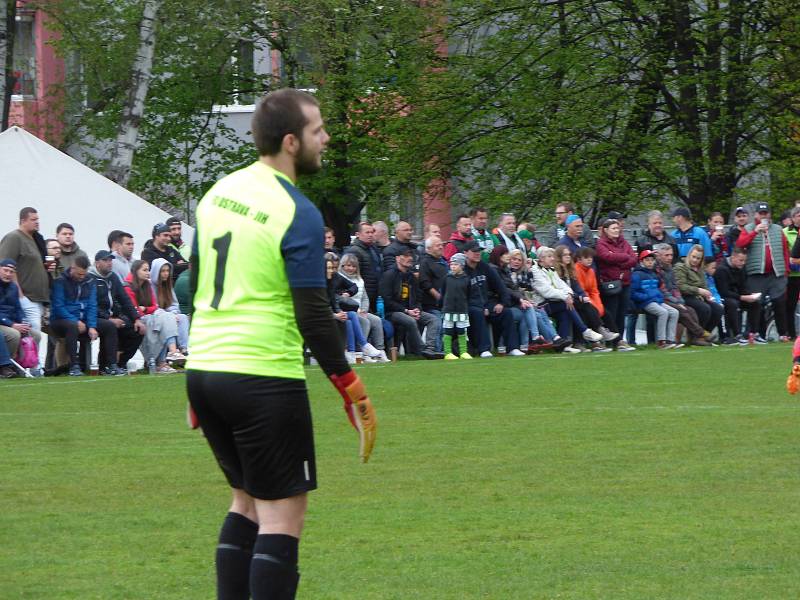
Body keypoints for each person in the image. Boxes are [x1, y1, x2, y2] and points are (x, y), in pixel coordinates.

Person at [186, 89, 376, 600]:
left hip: (206, 370)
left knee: (244, 503)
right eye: (318, 131)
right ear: (291, 142)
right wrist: (349, 383)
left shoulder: (218, 193)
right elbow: (312, 312)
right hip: (262, 377)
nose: (326, 139)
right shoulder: (296, 210)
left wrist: (192, 384)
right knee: (281, 516)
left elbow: (197, 289)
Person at [529, 246, 603, 352]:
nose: (552, 259)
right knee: (566, 305)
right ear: (541, 259)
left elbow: (563, 285)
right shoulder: (535, 271)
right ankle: (585, 331)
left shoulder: (551, 269)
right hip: (541, 304)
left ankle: (563, 345)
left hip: (553, 302)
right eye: (549, 256)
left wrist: (568, 294)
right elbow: (546, 291)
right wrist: (565, 297)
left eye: (552, 256)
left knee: (565, 312)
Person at [738, 202, 790, 341]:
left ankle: (783, 334)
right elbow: (741, 244)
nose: (763, 216)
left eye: (765, 213)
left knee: (779, 302)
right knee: (755, 304)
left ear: (769, 214)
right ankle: (752, 334)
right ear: (755, 215)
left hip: (776, 273)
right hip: (756, 273)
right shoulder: (749, 228)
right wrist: (755, 231)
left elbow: (785, 250)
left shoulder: (778, 229)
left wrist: (785, 270)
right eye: (760, 213)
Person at [88, 250, 145, 375]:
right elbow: (90, 305)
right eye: (105, 260)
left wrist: (137, 318)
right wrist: (108, 318)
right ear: (97, 263)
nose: (109, 263)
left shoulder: (113, 277)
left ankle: (121, 363)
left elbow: (125, 299)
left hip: (112, 316)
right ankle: (110, 365)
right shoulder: (90, 279)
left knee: (137, 329)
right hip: (92, 317)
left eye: (110, 260)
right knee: (109, 326)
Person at [379, 248, 442, 359]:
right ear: (397, 258)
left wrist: (417, 309)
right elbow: (387, 301)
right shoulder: (389, 275)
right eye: (406, 255)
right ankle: (422, 350)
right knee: (410, 321)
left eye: (411, 256)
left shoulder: (411, 277)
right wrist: (407, 311)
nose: (410, 258)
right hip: (393, 312)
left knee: (434, 319)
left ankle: (430, 349)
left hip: (410, 310)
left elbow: (418, 296)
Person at [124, 260, 186, 373]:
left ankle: (174, 353)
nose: (148, 273)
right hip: (137, 319)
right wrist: (147, 310)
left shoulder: (147, 285)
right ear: (136, 271)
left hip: (151, 316)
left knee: (168, 317)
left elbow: (154, 306)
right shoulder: (129, 286)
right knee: (164, 319)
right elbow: (133, 309)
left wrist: (146, 309)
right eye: (145, 270)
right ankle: (168, 357)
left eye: (148, 270)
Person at [462, 240, 519, 357]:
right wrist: (480, 307)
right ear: (465, 253)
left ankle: (512, 348)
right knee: (477, 313)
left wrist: (502, 303)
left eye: (479, 251)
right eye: (474, 251)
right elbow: (462, 296)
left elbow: (501, 287)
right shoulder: (462, 271)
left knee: (506, 312)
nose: (478, 253)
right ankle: (484, 349)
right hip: (470, 307)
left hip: (487, 303)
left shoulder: (485, 267)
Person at [554, 245, 617, 349]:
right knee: (584, 308)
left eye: (569, 254)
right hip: (561, 300)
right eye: (565, 255)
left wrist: (584, 297)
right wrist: (580, 297)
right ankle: (596, 334)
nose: (568, 257)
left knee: (593, 309)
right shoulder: (557, 271)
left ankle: (596, 340)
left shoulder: (573, 270)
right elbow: (562, 288)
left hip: (575, 299)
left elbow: (580, 288)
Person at [0, 207, 52, 331]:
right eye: (33, 219)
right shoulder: (14, 237)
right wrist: (20, 296)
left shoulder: (37, 239)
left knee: (32, 336)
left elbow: (36, 266)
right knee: (32, 334)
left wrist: (49, 266)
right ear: (23, 221)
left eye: (38, 219)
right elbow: (6, 267)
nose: (37, 222)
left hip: (39, 299)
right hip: (25, 298)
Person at [326, 253, 382, 363]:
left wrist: (348, 294)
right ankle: (360, 349)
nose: (332, 271)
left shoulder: (337, 278)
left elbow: (362, 295)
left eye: (334, 268)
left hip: (349, 310)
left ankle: (358, 351)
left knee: (354, 317)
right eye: (329, 268)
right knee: (352, 319)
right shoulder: (323, 282)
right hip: (325, 314)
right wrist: (337, 314)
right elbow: (323, 304)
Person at [653, 243, 710, 346]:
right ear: (659, 255)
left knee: (691, 310)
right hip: (660, 298)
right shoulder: (656, 269)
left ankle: (695, 339)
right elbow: (663, 290)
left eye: (671, 255)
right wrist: (676, 302)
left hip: (671, 299)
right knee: (682, 311)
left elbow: (675, 287)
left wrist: (680, 301)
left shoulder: (670, 268)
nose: (670, 258)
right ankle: (701, 334)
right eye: (667, 255)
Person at [49, 255, 97, 376]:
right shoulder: (60, 281)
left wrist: (92, 325)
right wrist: (75, 321)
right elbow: (58, 307)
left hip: (81, 319)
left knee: (108, 326)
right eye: (79, 274)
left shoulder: (90, 281)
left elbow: (92, 305)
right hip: (60, 320)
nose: (82, 277)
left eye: (84, 274)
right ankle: (74, 366)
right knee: (72, 326)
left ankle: (111, 365)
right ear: (72, 268)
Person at [594, 219, 637, 350]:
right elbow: (606, 257)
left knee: (622, 313)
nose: (616, 230)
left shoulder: (624, 242)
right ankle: (611, 340)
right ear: (606, 230)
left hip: (625, 283)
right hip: (610, 283)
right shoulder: (601, 243)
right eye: (613, 228)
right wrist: (625, 257)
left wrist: (618, 259)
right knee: (612, 312)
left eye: (618, 228)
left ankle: (620, 340)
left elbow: (634, 259)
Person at [337, 253, 389, 361]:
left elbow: (365, 298)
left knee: (377, 320)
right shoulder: (339, 279)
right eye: (348, 265)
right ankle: (362, 351)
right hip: (349, 309)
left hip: (361, 310)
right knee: (365, 322)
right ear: (342, 266)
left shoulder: (360, 280)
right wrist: (358, 310)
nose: (351, 268)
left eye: (353, 266)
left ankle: (380, 350)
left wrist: (364, 309)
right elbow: (342, 299)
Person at [507, 248, 563, 349]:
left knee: (540, 312)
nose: (516, 262)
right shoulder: (507, 273)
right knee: (533, 312)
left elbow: (528, 288)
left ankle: (553, 339)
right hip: (512, 304)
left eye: (519, 260)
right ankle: (544, 340)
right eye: (514, 259)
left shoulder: (521, 273)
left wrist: (528, 271)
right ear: (509, 259)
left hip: (522, 303)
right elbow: (512, 291)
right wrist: (525, 300)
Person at [487, 246, 536, 355]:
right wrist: (520, 299)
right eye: (505, 254)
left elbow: (513, 288)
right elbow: (503, 289)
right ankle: (522, 344)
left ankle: (523, 345)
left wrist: (523, 299)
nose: (508, 256)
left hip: (505, 302)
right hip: (495, 304)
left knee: (527, 308)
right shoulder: (493, 270)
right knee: (520, 312)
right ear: (498, 256)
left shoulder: (504, 270)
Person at [630, 250, 681, 349]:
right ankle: (661, 341)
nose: (650, 262)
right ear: (641, 261)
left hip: (656, 301)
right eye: (647, 260)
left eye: (652, 260)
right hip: (645, 302)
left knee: (675, 312)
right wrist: (645, 297)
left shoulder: (654, 274)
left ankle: (671, 340)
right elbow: (633, 293)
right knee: (663, 313)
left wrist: (659, 297)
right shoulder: (637, 274)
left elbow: (658, 288)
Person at [715, 247, 766, 344]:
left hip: (737, 296)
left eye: (744, 261)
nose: (743, 263)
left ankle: (753, 333)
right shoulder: (721, 269)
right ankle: (737, 334)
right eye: (741, 260)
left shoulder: (741, 269)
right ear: (733, 257)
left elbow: (743, 287)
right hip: (724, 298)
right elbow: (724, 291)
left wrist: (750, 295)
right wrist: (742, 297)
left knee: (756, 304)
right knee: (732, 304)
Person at [0, 258, 43, 372]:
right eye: (5, 270)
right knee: (14, 334)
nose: (8, 274)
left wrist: (24, 321)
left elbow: (18, 308)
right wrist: (12, 324)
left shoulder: (13, 287)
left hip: (12, 322)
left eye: (11, 272)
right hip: (3, 323)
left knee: (36, 335)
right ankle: (6, 367)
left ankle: (31, 366)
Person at [674, 244, 724, 339]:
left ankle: (705, 335)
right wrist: (698, 290)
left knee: (718, 309)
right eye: (693, 257)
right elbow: (681, 286)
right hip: (684, 297)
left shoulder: (700, 269)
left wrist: (709, 295)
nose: (695, 260)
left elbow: (704, 285)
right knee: (704, 308)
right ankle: (695, 336)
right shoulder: (680, 267)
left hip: (697, 297)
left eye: (698, 258)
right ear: (689, 255)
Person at [150, 258, 191, 354]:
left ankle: (183, 349)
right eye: (163, 271)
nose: (166, 274)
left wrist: (173, 313)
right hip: (155, 316)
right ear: (157, 271)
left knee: (183, 318)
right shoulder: (149, 285)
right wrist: (169, 315)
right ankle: (173, 352)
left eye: (168, 271)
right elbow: (152, 306)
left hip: (168, 315)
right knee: (169, 319)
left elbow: (174, 304)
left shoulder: (167, 285)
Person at [344, 221, 383, 312]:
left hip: (376, 294)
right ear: (358, 234)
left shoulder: (374, 249)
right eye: (367, 232)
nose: (370, 235)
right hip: (362, 294)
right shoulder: (354, 251)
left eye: (372, 232)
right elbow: (351, 276)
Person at [418, 236, 447, 352]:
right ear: (428, 249)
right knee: (438, 323)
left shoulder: (444, 262)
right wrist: (439, 297)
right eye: (437, 245)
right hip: (431, 304)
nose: (441, 247)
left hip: (446, 304)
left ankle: (445, 350)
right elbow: (425, 283)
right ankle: (435, 350)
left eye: (441, 244)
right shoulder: (425, 262)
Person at [441, 253, 472, 359]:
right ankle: (447, 352)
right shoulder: (447, 278)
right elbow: (443, 292)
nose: (453, 266)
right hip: (448, 309)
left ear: (462, 266)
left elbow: (468, 294)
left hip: (461, 309)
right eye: (451, 264)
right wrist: (442, 306)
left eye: (456, 264)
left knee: (461, 330)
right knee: (448, 330)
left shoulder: (466, 279)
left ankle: (463, 352)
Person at [784, 207, 800, 338]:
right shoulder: (785, 232)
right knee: (791, 305)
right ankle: (791, 333)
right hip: (793, 275)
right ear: (793, 218)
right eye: (798, 215)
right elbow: (788, 256)